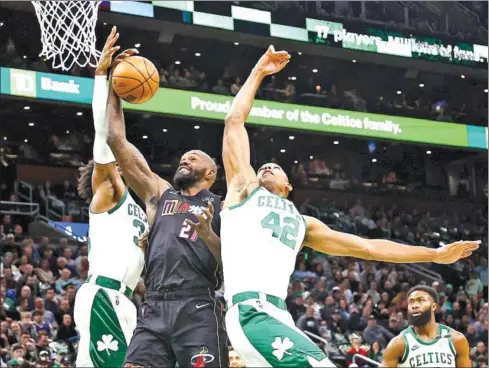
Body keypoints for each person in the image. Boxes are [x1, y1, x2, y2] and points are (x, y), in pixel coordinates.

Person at [220, 45, 480, 367]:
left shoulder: (305, 224)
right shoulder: (245, 190)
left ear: (289, 186)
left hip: (279, 315)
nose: (266, 168)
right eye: (263, 167)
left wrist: (434, 254)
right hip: (251, 311)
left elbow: (370, 248)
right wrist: (259, 71)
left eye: (276, 166)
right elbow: (234, 122)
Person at [105, 42, 227, 367]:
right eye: (184, 156)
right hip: (154, 305)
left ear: (211, 173)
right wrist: (113, 86)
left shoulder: (222, 207)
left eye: (195, 157)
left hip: (197, 307)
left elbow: (228, 264)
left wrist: (209, 236)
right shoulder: (161, 195)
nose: (186, 158)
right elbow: (116, 141)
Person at [73, 27, 148, 368]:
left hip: (122, 299)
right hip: (104, 295)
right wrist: (104, 78)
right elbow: (104, 136)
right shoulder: (108, 192)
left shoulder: (133, 205)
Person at [382, 285, 471, 367]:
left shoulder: (456, 340)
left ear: (433, 307)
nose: (415, 305)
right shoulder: (398, 344)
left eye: (421, 301)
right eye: (411, 302)